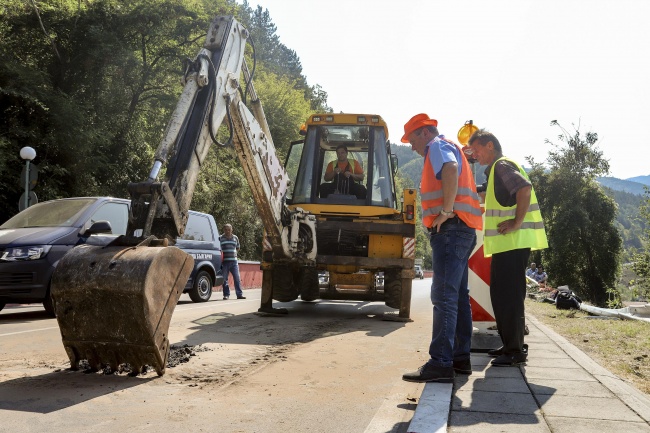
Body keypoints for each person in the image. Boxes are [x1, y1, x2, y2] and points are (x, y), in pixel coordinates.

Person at [401, 114, 483, 383]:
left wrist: (446, 211)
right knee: (457, 296)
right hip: (463, 229)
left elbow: (449, 170)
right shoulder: (447, 145)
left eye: (412, 139)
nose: (411, 146)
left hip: (451, 229)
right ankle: (460, 359)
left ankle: (441, 363)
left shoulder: (437, 146)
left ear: (424, 133)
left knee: (444, 296)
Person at [467, 129, 548, 367]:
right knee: (503, 296)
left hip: (513, 243)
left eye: (477, 149)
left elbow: (524, 188)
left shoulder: (502, 165)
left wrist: (516, 222)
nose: (476, 155)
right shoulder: (496, 171)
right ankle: (511, 345)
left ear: (490, 145)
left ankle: (514, 351)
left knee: (508, 297)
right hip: (508, 245)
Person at [219, 224, 246, 300]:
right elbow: (219, 249)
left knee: (237, 278)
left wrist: (233, 254)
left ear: (232, 230)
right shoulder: (220, 238)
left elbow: (238, 248)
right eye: (226, 230)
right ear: (224, 230)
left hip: (234, 262)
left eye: (229, 230)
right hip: (224, 262)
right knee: (224, 279)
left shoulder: (235, 238)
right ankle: (226, 295)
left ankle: (239, 294)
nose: (227, 231)